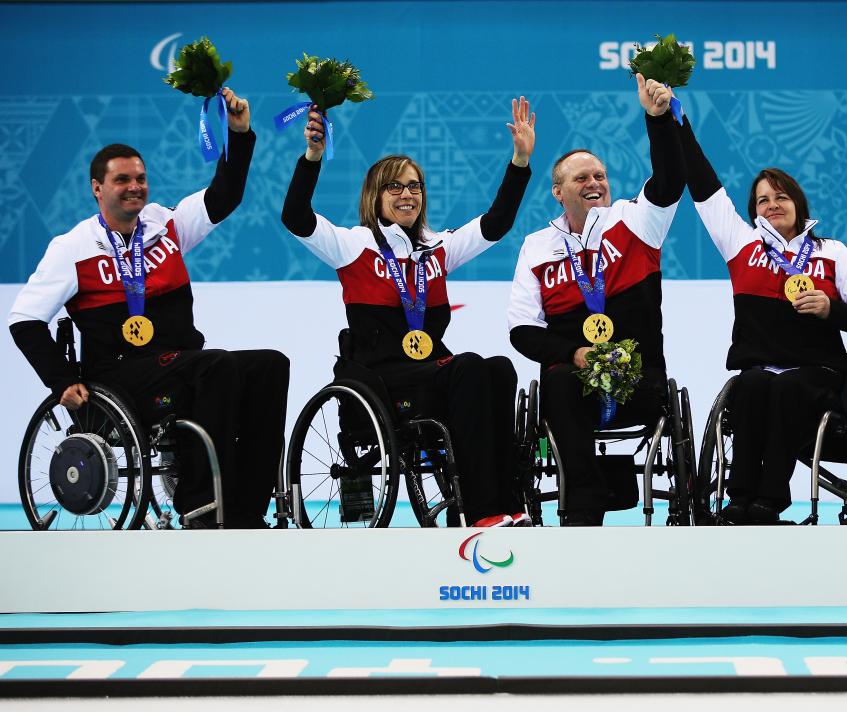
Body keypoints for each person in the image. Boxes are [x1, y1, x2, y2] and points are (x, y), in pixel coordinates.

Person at [9, 88, 288, 529]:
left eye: (140, 178)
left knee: (270, 365)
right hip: (120, 375)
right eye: (122, 180)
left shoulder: (165, 224)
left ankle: (247, 507)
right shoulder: (72, 248)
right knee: (213, 368)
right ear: (97, 188)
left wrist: (239, 134)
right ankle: (201, 507)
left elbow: (225, 195)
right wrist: (61, 381)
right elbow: (23, 319)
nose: (135, 186)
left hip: (179, 362)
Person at [281, 97, 536, 528]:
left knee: (499, 369)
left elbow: (496, 223)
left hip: (431, 374)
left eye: (415, 185)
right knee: (471, 366)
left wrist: (520, 161)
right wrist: (312, 158)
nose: (407, 194)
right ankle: (479, 510)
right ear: (374, 196)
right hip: (382, 380)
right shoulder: (352, 245)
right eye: (395, 187)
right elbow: (295, 216)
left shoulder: (437, 248)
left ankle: (510, 503)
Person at [678, 119, 847, 524]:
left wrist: (831, 308)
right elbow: (703, 184)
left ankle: (769, 502)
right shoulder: (741, 243)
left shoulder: (834, 252)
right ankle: (738, 500)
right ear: (754, 211)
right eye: (762, 200)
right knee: (753, 384)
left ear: (798, 202)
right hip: (761, 368)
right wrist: (676, 121)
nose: (772, 205)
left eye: (781, 196)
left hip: (817, 372)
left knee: (787, 386)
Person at [507, 75, 684, 526]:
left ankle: (585, 503)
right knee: (561, 381)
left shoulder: (636, 220)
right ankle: (583, 508)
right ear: (558, 190)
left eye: (600, 175)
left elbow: (668, 181)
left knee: (570, 383)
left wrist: (658, 118)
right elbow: (523, 330)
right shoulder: (537, 246)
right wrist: (575, 354)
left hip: (638, 380)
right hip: (572, 383)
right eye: (581, 177)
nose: (594, 182)